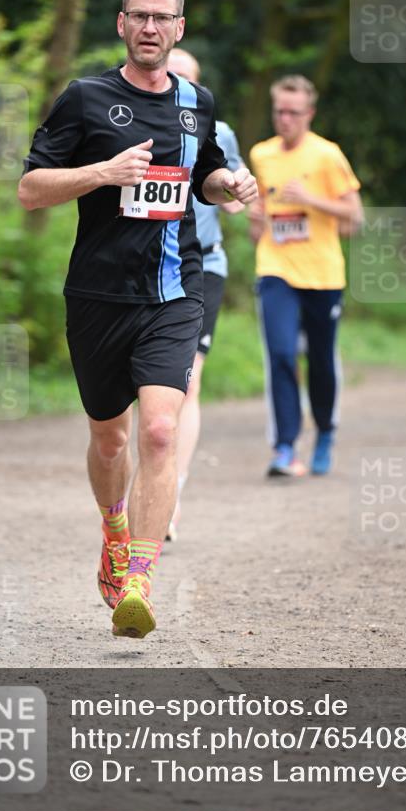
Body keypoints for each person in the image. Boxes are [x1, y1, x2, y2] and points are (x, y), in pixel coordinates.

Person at [18, 0, 257, 639]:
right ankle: (114, 529)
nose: (150, 28)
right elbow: (31, 189)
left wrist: (227, 183)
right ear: (121, 24)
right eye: (139, 17)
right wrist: (102, 172)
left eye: (163, 19)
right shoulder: (85, 99)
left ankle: (139, 583)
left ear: (179, 28)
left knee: (157, 431)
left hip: (175, 290)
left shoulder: (196, 103)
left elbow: (203, 176)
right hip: (96, 295)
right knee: (109, 438)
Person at [248, 75, 363, 477]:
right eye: (279, 110)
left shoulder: (327, 156)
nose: (285, 119)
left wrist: (310, 199)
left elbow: (355, 216)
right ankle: (284, 447)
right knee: (280, 354)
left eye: (294, 112)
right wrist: (256, 219)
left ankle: (326, 430)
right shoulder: (262, 155)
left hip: (323, 275)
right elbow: (259, 216)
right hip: (276, 269)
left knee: (319, 361)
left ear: (309, 114)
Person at [165, 48, 245, 541]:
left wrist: (238, 191)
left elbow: (232, 191)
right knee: (147, 392)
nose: (177, 83)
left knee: (188, 382)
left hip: (204, 264)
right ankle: (149, 484)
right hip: (148, 263)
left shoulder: (218, 128)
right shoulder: (136, 121)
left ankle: (170, 491)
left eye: (186, 77)